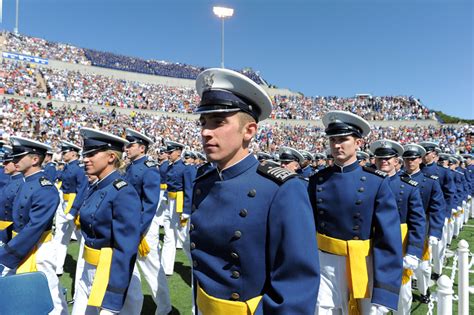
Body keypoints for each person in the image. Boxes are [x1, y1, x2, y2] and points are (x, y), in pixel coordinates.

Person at [191, 68, 319, 314]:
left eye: (219, 122)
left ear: (249, 131)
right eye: (204, 122)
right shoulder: (204, 182)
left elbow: (295, 286)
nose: (206, 132)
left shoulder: (281, 188)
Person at [308, 110, 402, 314]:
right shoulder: (317, 180)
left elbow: (388, 238)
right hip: (325, 263)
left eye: (343, 139)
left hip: (363, 262)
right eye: (333, 140)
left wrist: (384, 291)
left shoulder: (376, 182)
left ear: (358, 143)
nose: (337, 145)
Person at [72, 127, 142, 315]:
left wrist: (114, 294)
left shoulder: (123, 191)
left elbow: (126, 247)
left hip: (110, 272)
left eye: (92, 154)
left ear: (111, 157)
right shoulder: (96, 186)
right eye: (85, 154)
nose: (85, 159)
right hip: (89, 269)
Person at [0, 136, 68, 314]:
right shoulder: (25, 182)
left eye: (18, 157)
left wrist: (6, 253)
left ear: (35, 159)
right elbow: (17, 221)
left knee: (49, 296)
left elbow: (33, 227)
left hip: (37, 250)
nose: (14, 160)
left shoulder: (45, 188)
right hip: (22, 245)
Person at [370, 139, 426, 315]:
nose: (384, 161)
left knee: (402, 293)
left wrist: (413, 251)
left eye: (388, 158)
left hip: (398, 244)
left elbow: (417, 222)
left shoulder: (408, 187)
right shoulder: (367, 183)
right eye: (380, 158)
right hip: (370, 243)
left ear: (396, 161)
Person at [124, 128, 172, 315]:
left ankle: (164, 308)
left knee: (151, 269)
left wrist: (139, 230)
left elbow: (151, 203)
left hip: (143, 226)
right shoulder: (130, 166)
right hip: (128, 222)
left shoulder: (149, 168)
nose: (127, 148)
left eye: (131, 145)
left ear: (142, 148)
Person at [402, 143, 445, 304]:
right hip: (401, 227)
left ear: (420, 160)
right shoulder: (398, 178)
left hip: (422, 227)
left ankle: (424, 289)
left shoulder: (430, 181)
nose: (409, 162)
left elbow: (437, 208)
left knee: (423, 267)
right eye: (406, 159)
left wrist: (434, 231)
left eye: (413, 159)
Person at [419, 141, 455, 279]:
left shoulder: (443, 172)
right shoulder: (417, 169)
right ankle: (420, 275)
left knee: (437, 246)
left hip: (436, 215)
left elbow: (449, 193)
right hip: (420, 214)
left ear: (434, 154)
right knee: (421, 246)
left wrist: (445, 214)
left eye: (426, 154)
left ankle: (437, 271)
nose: (424, 156)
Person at [54, 140, 88, 276]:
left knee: (81, 239)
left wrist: (74, 209)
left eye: (65, 151)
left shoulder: (80, 169)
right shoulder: (67, 167)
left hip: (75, 206)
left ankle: (84, 269)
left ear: (73, 153)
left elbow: (82, 190)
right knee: (60, 237)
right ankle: (57, 266)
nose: (63, 154)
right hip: (64, 204)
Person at [161, 140, 193, 275]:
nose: (168, 155)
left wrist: (186, 210)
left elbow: (188, 190)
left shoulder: (186, 168)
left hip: (179, 203)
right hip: (170, 201)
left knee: (183, 236)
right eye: (167, 152)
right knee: (169, 234)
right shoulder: (169, 166)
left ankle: (195, 264)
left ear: (179, 152)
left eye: (171, 152)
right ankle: (165, 267)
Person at [0, 145, 23, 248]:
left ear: (15, 163)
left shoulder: (22, 182)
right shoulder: (11, 179)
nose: (4, 165)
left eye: (7, 162)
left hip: (9, 228)